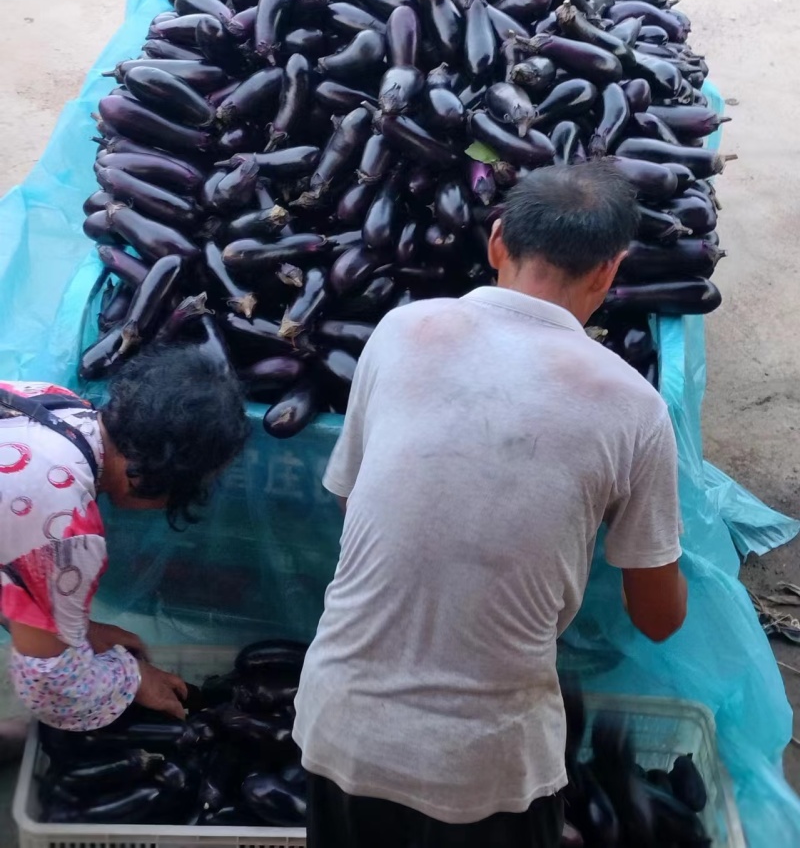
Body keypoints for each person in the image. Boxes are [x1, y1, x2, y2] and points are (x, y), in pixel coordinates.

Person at [293, 161, 687, 848]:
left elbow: (354, 504)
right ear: (609, 271)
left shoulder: (398, 331)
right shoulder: (635, 408)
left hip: (340, 726)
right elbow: (657, 619)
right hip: (486, 764)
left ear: (497, 240)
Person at [0, 342, 248, 731]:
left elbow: (12, 564)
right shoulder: (64, 525)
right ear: (157, 474)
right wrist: (131, 680)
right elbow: (52, 686)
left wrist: (81, 631)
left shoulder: (58, 404)